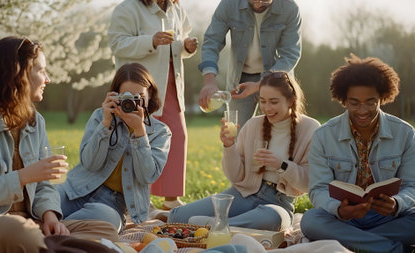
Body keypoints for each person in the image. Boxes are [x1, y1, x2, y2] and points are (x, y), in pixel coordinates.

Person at [0, 36, 118, 253]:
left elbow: (44, 185)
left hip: (30, 222)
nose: (47, 79)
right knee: (20, 232)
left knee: (105, 230)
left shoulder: (35, 122)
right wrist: (24, 176)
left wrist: (49, 215)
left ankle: (51, 244)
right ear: (18, 74)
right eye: (41, 70)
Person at [168, 72, 320, 230]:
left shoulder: (310, 129)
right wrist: (228, 146)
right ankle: (223, 226)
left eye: (273, 102)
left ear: (291, 100)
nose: (267, 108)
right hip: (242, 194)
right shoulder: (253, 125)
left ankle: (214, 226)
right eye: (263, 101)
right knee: (176, 217)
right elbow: (236, 176)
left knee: (272, 219)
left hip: (278, 203)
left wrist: (280, 165)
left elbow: (310, 182)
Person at [300, 55, 415, 252]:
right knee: (310, 221)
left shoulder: (405, 133)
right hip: (344, 218)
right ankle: (391, 248)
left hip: (388, 217)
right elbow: (318, 189)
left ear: (382, 98)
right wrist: (339, 210)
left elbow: (412, 185)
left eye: (371, 102)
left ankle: (354, 241)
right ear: (343, 101)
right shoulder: (323, 135)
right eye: (355, 103)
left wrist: (397, 204)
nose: (363, 110)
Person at [56, 63, 172, 232]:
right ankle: (56, 225)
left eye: (139, 96)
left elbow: (147, 175)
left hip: (112, 204)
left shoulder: (160, 132)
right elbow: (89, 163)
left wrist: (140, 132)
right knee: (45, 200)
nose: (132, 102)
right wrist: (105, 124)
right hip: (77, 189)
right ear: (116, 95)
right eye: (127, 97)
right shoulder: (101, 116)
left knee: (107, 221)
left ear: (150, 94)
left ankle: (52, 227)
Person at [108, 0, 197, 211]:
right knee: (140, 138)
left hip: (172, 83)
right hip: (140, 87)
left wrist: (186, 46)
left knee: (177, 136)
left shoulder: (176, 9)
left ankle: (170, 199)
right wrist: (152, 41)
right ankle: (140, 200)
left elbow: (179, 42)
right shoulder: (127, 9)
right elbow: (117, 43)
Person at [198, 0, 302, 129]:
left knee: (278, 131)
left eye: (264, 1)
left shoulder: (290, 8)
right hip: (240, 80)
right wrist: (209, 81)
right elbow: (211, 42)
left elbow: (290, 55)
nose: (258, 4)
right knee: (236, 133)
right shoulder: (229, 4)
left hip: (276, 79)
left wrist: (260, 84)